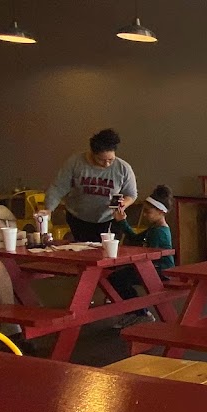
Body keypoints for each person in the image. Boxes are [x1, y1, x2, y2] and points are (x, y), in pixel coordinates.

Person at [40, 128, 138, 242]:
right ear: (92, 153)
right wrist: (49, 209)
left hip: (108, 219)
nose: (107, 164)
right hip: (78, 218)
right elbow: (58, 188)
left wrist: (123, 204)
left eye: (111, 160)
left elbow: (131, 194)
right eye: (101, 160)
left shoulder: (123, 168)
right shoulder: (75, 162)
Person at [109, 185, 175, 329]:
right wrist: (122, 221)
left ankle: (139, 313)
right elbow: (136, 239)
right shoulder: (154, 228)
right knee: (118, 278)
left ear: (161, 212)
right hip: (154, 266)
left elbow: (149, 254)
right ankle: (135, 311)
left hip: (161, 269)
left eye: (147, 212)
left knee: (118, 278)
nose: (144, 215)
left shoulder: (159, 232)